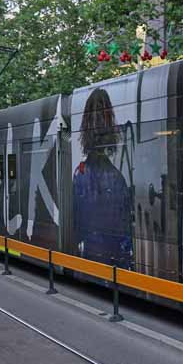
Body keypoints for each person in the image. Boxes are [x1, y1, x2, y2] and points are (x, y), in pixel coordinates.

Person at [72, 88, 134, 269]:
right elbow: (124, 225)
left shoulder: (79, 175)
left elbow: (77, 223)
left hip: (89, 254)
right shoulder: (117, 178)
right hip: (114, 257)